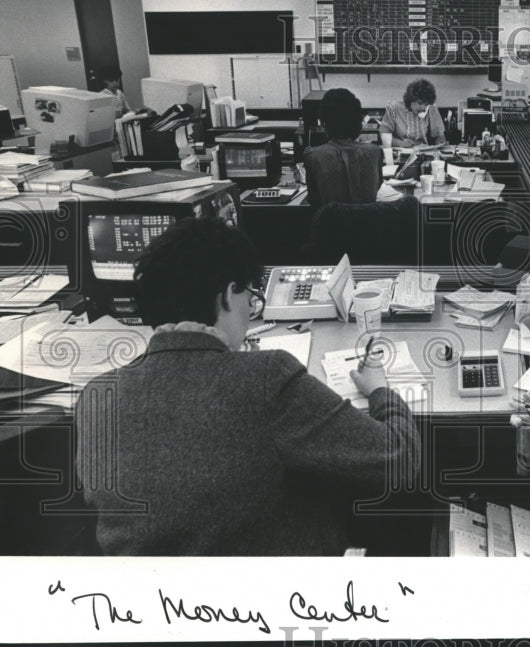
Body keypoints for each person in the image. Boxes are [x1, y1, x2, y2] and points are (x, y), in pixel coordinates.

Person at [74, 217, 420, 555]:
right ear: (228, 295)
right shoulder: (267, 377)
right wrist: (379, 391)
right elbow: (398, 458)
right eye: (250, 298)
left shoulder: (95, 396)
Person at [304, 88, 383, 206]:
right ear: (358, 122)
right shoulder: (375, 152)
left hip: (331, 223)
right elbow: (376, 188)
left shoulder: (313, 156)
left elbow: (313, 201)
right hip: (367, 222)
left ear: (325, 123)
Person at [380, 78, 445, 148]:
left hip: (424, 152)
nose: (423, 108)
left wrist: (440, 141)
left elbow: (440, 135)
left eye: (426, 104)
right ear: (411, 99)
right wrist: (400, 143)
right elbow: (384, 134)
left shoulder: (431, 109)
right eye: (420, 103)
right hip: (400, 152)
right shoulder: (394, 108)